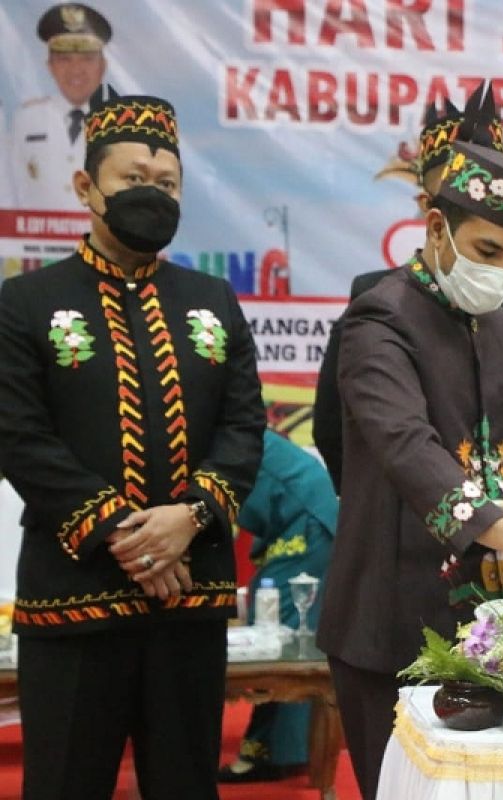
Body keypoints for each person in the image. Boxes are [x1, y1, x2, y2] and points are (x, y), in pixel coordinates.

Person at [0, 88, 265, 799]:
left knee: (185, 786)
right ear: (87, 185)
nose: (152, 194)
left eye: (167, 184)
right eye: (132, 180)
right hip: (74, 596)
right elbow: (19, 439)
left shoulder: (213, 301)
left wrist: (191, 518)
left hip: (192, 596)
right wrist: (130, 538)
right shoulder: (24, 304)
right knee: (62, 784)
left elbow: (245, 430)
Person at [316, 138, 503, 799]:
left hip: (483, 621)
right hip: (388, 623)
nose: (501, 272)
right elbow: (410, 449)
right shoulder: (379, 319)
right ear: (437, 227)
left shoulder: (501, 328)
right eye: (487, 252)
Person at [313, 82, 503, 487]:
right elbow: (336, 427)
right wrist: (369, 503)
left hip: (495, 532)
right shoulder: (378, 304)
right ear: (431, 213)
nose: (500, 268)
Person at [219, 429, 338, 784]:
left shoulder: (212, 430)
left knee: (282, 637)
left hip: (306, 520)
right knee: (269, 620)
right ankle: (271, 750)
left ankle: (280, 753)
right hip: (295, 516)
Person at [10, 3, 110, 211]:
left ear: (102, 66)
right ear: (50, 66)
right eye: (64, 59)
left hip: (101, 243)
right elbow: (8, 192)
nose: (76, 70)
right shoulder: (26, 120)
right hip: (36, 242)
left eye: (87, 59)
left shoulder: (126, 125)